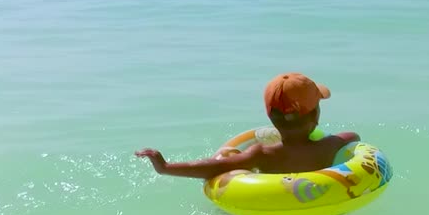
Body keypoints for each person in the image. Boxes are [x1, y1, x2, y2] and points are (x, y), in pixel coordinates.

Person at [135, 73, 360, 180]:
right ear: (315, 115)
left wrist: (165, 167)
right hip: (320, 210)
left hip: (269, 212)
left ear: (271, 117)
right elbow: (353, 137)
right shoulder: (330, 145)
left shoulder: (262, 153)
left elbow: (214, 167)